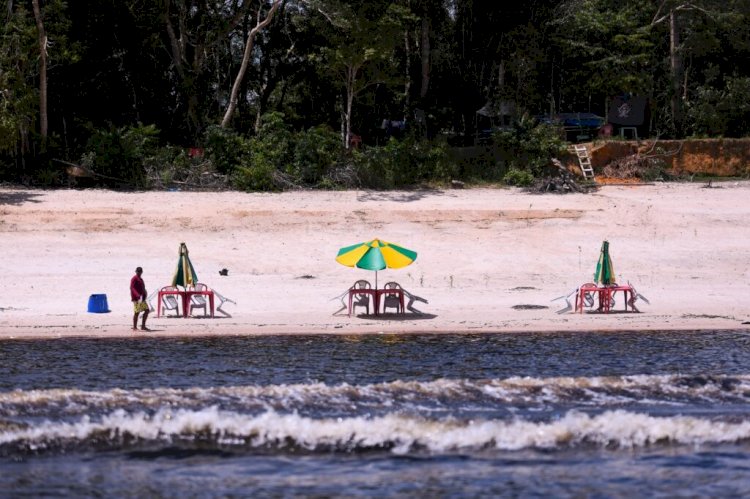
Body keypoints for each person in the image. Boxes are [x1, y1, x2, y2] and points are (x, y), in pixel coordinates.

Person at [130, 267, 150, 331]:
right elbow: (132, 288)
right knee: (137, 312)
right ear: (136, 272)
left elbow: (143, 288)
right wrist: (137, 295)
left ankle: (143, 326)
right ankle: (135, 327)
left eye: (140, 272)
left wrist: (145, 294)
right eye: (137, 272)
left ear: (141, 272)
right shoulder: (134, 278)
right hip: (136, 299)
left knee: (147, 310)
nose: (139, 273)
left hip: (142, 298)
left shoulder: (141, 279)